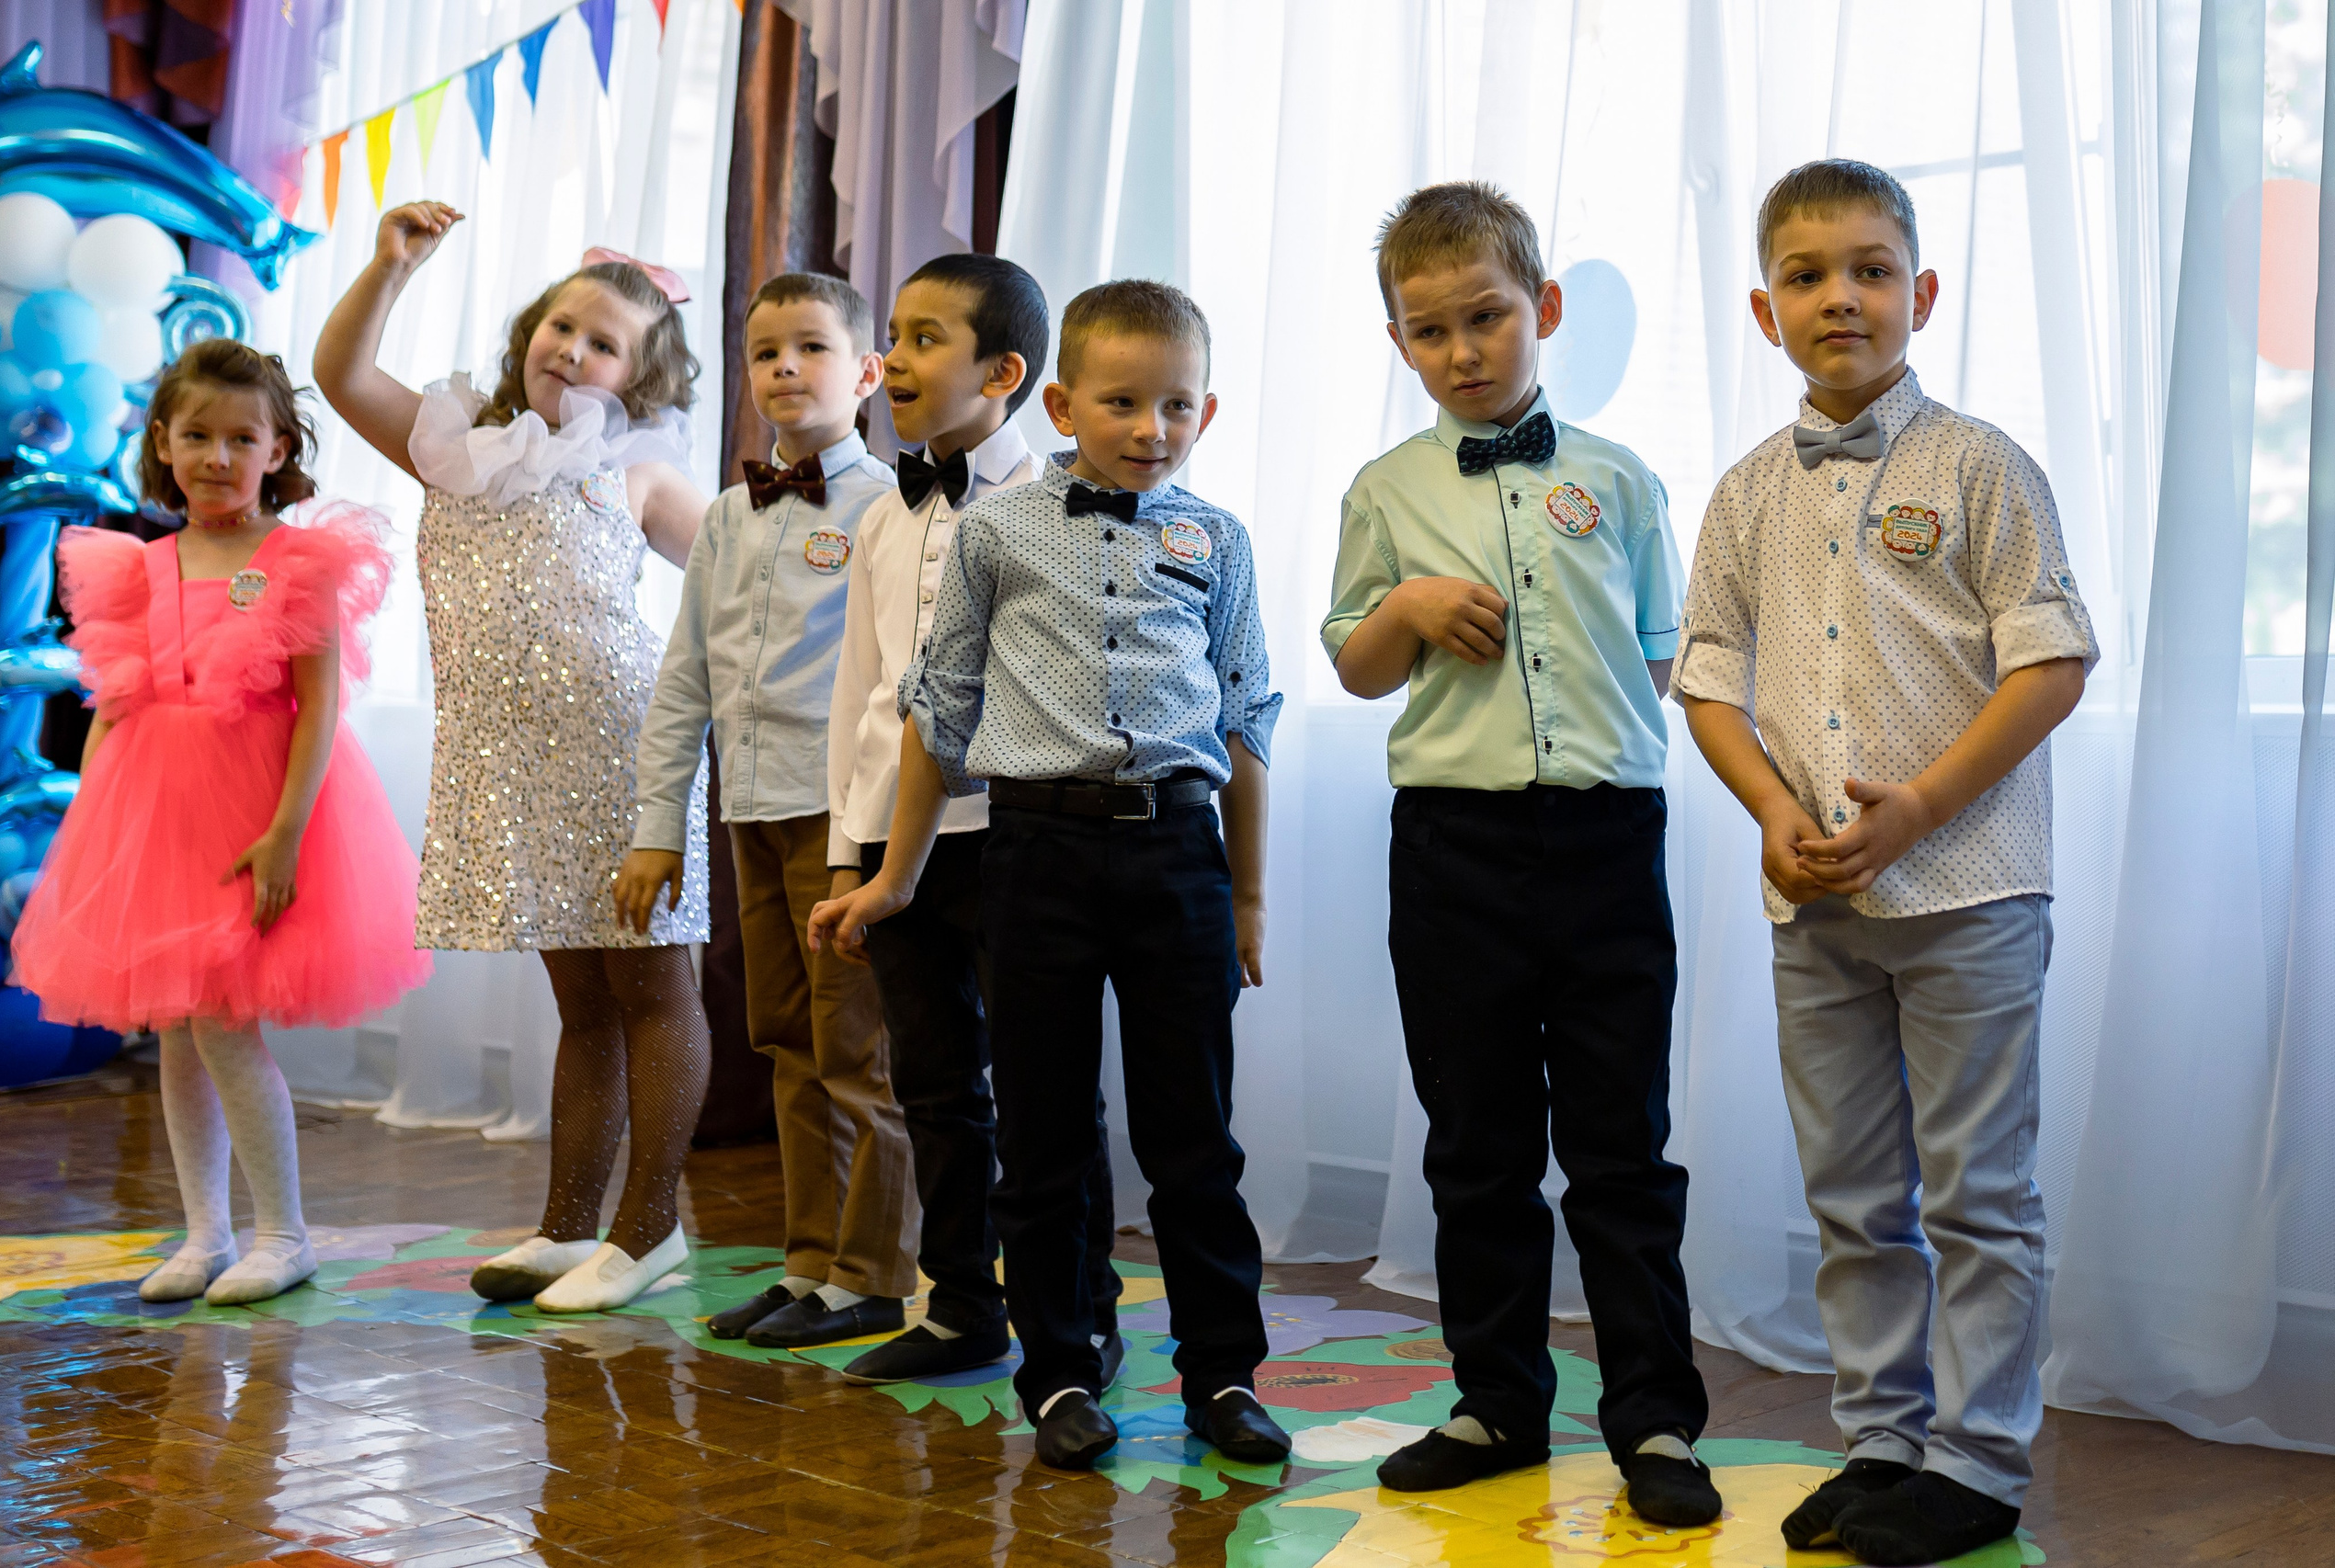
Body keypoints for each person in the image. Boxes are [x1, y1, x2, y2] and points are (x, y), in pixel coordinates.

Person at [1674, 159, 2095, 1567]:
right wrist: (1769, 814)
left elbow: (2050, 661)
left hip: (1970, 890)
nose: (1838, 296)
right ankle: (1884, 1437)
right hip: (1815, 901)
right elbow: (1710, 676)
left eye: (1868, 269)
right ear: (1764, 307)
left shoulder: (1981, 464)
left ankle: (1976, 1460)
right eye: (1806, 274)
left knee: (1979, 1190)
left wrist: (1916, 805)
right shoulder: (1743, 493)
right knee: (1855, 1191)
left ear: (1919, 292)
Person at [812, 279, 1290, 1472]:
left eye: (1175, 405)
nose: (1150, 427)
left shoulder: (1216, 540)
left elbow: (1247, 724)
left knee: (1196, 1139)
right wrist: (895, 879)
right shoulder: (997, 533)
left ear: (1207, 410)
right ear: (1067, 401)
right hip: (1035, 855)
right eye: (1122, 402)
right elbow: (941, 711)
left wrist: (1247, 893)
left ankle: (1222, 1375)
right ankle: (1061, 1368)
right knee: (1044, 1133)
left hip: (1178, 848)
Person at [1319, 181, 1719, 1525]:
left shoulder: (1621, 480)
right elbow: (1359, 668)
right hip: (1454, 845)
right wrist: (1413, 607)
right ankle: (1496, 1398)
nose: (1465, 350)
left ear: (1541, 309)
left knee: (1623, 1144)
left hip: (1608, 838)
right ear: (1400, 345)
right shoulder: (1385, 490)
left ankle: (1656, 1418)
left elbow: (1667, 653)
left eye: (1487, 316)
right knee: (1477, 1140)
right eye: (1430, 332)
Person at [314, 202, 714, 1314]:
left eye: (603, 344)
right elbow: (341, 372)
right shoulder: (454, 447)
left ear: (636, 381)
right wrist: (391, 268)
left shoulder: (635, 470)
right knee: (581, 1000)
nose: (572, 351)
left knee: (648, 984)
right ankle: (565, 1225)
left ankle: (649, 1230)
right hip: (507, 756)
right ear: (527, 330)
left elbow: (743, 577)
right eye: (561, 326)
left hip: (626, 747)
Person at [13, 339, 428, 1305]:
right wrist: (90, 840)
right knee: (177, 1026)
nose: (216, 456)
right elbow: (116, 706)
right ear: (163, 440)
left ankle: (283, 1233)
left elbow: (320, 704)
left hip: (257, 810)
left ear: (279, 447)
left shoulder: (299, 559)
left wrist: (286, 830)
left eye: (241, 437)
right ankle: (206, 1232)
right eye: (195, 434)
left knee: (226, 1026)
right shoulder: (138, 565)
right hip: (150, 814)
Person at [818, 254, 1126, 1388]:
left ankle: (1083, 1309)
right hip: (897, 848)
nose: (893, 358)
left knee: (1050, 1090)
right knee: (933, 1082)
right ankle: (959, 1302)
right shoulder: (883, 517)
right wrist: (847, 842)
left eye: (925, 337)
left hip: (1016, 831)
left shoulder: (1053, 509)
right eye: (892, 334)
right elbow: (863, 690)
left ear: (1003, 371)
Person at [616, 273, 917, 1349]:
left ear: (868, 371)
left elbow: (898, 684)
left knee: (855, 1049)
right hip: (748, 812)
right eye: (764, 353)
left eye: (811, 348)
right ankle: (808, 1265)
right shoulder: (732, 515)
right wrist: (661, 824)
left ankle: (875, 1274)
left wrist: (866, 838)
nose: (784, 368)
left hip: (843, 819)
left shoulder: (893, 506)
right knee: (787, 1041)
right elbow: (683, 676)